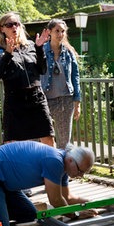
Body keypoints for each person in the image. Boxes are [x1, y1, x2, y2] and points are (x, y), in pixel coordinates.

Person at [0, 12, 54, 146]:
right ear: (2, 29)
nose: (14, 27)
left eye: (17, 24)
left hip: (36, 98)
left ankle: (52, 166)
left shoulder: (31, 45)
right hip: (15, 100)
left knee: (48, 137)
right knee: (14, 143)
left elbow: (42, 70)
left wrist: (39, 48)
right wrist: (8, 53)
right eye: (9, 24)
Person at [41, 19, 82, 149]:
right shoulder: (41, 51)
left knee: (64, 142)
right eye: (57, 31)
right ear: (49, 32)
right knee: (43, 138)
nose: (60, 34)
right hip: (45, 100)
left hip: (65, 100)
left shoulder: (69, 53)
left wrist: (77, 102)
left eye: (63, 31)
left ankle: (63, 169)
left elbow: (75, 76)